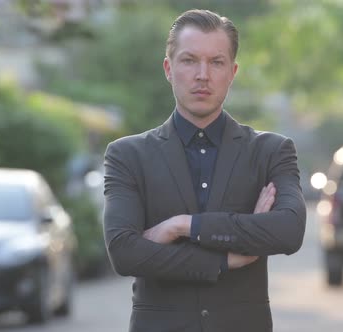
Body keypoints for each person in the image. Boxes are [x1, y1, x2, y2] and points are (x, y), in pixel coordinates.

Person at [103, 9, 306, 332]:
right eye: (189, 60)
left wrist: (182, 226)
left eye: (216, 62)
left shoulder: (271, 150)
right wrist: (225, 259)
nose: (202, 74)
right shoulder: (127, 155)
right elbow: (125, 253)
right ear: (169, 69)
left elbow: (289, 231)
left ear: (232, 72)